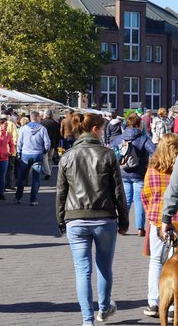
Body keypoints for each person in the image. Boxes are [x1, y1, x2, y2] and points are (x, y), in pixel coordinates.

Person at [56, 112, 128, 326]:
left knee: (82, 270)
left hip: (75, 218)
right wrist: (124, 220)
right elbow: (118, 191)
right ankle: (104, 308)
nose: (103, 132)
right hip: (104, 217)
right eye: (103, 129)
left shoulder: (67, 156)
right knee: (104, 266)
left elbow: (61, 192)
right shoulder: (108, 155)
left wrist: (61, 220)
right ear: (95, 129)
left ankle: (87, 320)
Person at [141, 133, 178, 318]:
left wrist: (150, 213)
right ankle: (173, 307)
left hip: (157, 219)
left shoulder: (153, 169)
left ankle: (154, 302)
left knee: (156, 261)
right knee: (175, 262)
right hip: (176, 221)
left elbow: (145, 194)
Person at [110, 113, 156, 236]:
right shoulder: (143, 138)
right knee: (139, 200)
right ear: (139, 124)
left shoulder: (120, 138)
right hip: (139, 174)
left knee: (126, 200)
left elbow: (111, 149)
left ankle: (123, 227)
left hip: (123, 173)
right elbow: (154, 151)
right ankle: (140, 228)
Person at [15, 111, 51, 206]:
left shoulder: (23, 128)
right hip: (37, 154)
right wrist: (45, 151)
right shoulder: (42, 129)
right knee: (36, 178)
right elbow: (47, 143)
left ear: (31, 118)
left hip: (25, 154)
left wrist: (19, 153)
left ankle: (18, 197)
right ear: (37, 117)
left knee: (22, 177)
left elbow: (19, 142)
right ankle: (33, 199)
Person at [0, 118, 15, 201]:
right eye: (5, 125)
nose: (6, 127)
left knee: (2, 176)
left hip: (4, 157)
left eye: (7, 125)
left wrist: (11, 151)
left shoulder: (8, 134)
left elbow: (11, 144)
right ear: (0, 124)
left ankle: (1, 194)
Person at [41, 109, 59, 180]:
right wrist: (57, 145)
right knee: (50, 158)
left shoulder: (42, 123)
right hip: (53, 143)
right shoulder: (56, 123)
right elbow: (58, 135)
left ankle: (47, 172)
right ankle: (49, 171)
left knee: (44, 158)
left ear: (45, 115)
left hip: (44, 143)